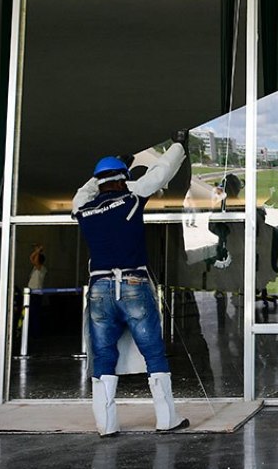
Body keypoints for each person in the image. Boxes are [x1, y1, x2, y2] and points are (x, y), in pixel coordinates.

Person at [72, 131, 190, 436]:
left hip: (99, 287)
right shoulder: (131, 196)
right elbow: (160, 173)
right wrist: (178, 145)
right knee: (153, 351)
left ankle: (106, 425)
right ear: (124, 178)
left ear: (98, 181)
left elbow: (82, 194)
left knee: (103, 355)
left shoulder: (85, 209)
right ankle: (166, 420)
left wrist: (103, 174)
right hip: (133, 283)